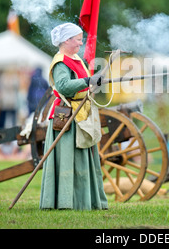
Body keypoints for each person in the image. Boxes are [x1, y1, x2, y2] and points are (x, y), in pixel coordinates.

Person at [39, 22, 108, 211]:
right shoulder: (61, 61)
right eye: (78, 39)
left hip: (80, 112)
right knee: (68, 159)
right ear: (67, 40)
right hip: (67, 115)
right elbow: (62, 86)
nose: (81, 42)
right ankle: (66, 202)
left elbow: (83, 84)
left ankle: (84, 201)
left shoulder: (76, 58)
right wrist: (87, 80)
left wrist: (93, 82)